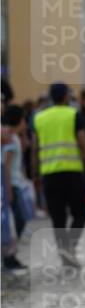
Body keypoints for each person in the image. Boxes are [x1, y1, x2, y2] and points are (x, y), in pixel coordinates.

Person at [32, 82, 85, 267]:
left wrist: (35, 174)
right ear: (65, 96)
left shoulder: (39, 118)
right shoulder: (73, 115)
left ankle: (65, 252)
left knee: (57, 217)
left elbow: (35, 149)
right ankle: (69, 247)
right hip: (72, 173)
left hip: (49, 174)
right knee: (81, 212)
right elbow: (84, 145)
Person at [1, 105, 31, 272]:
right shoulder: (10, 140)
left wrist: (24, 134)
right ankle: (8, 256)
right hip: (11, 184)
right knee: (17, 220)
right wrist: (8, 190)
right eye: (24, 120)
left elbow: (25, 147)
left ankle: (10, 254)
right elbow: (5, 165)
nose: (26, 123)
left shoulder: (14, 138)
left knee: (19, 219)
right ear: (19, 120)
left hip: (16, 184)